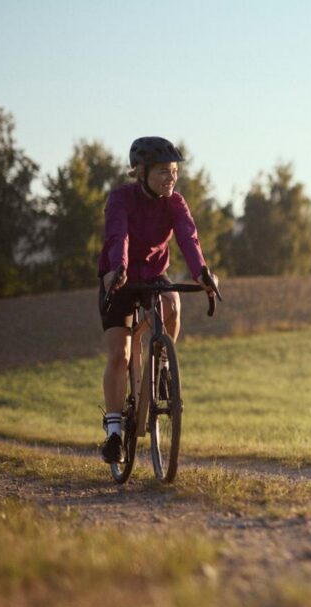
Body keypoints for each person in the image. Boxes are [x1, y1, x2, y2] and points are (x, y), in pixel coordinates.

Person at [96, 136, 219, 463]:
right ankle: (113, 432)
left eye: (174, 171)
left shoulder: (176, 203)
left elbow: (188, 239)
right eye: (163, 171)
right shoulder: (122, 198)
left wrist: (202, 274)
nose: (171, 177)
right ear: (141, 171)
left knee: (172, 303)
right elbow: (117, 235)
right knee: (120, 354)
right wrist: (118, 268)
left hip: (152, 276)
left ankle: (162, 365)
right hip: (118, 279)